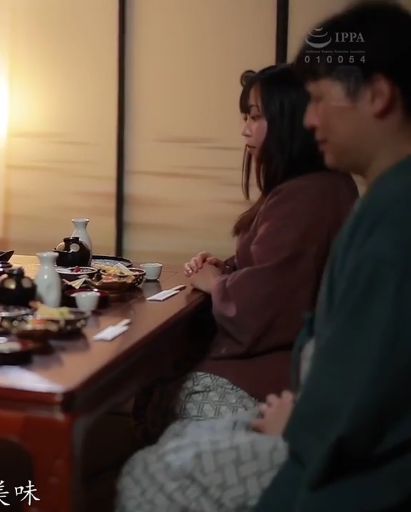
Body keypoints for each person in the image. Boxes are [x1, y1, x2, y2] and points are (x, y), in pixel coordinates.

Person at [116, 2, 411, 510]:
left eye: (317, 100)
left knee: (150, 475)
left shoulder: (386, 212)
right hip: (314, 411)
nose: (309, 118)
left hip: (346, 454)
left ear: (378, 95)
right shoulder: (372, 197)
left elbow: (368, 382)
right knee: (174, 439)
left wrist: (301, 424)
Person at [133, 64, 358, 441]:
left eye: (255, 117)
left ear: (290, 121)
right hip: (295, 365)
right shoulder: (322, 186)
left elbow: (265, 305)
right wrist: (226, 269)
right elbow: (278, 272)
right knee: (157, 382)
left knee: (166, 392)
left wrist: (216, 283)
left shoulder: (305, 198)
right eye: (245, 117)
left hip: (276, 375)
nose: (245, 130)